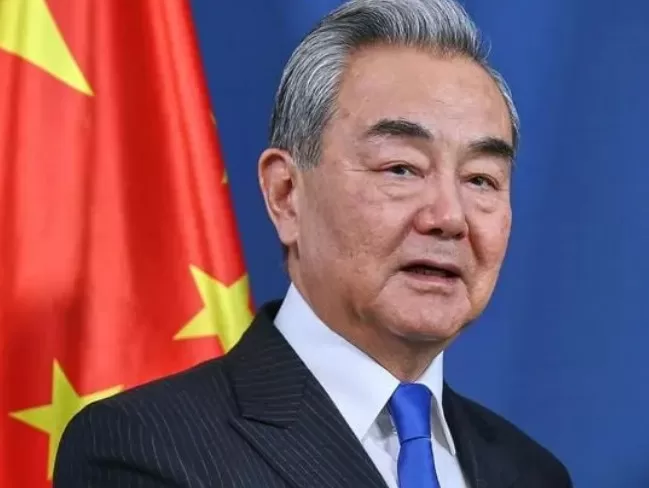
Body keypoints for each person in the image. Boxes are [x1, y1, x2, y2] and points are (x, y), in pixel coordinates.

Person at [54, 0, 572, 486]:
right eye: (401, 168)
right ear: (286, 194)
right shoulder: (144, 448)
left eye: (481, 179)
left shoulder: (531, 472)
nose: (449, 217)